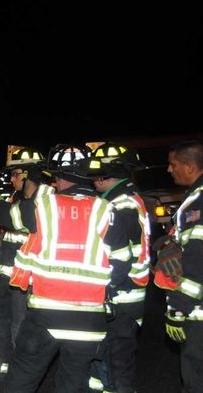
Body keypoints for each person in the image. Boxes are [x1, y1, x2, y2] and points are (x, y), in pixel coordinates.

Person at [3, 144, 118, 393]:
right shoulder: (106, 210)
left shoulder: (44, 206)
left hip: (45, 315)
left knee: (21, 380)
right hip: (89, 319)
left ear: (58, 176)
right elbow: (120, 262)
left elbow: (7, 216)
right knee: (73, 384)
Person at [0, 147, 53, 382]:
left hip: (26, 279)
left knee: (19, 326)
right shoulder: (16, 198)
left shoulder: (45, 199)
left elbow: (13, 220)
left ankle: (19, 373)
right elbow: (6, 233)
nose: (11, 179)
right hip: (6, 275)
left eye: (15, 174)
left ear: (28, 174)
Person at [86, 143, 150, 393]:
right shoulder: (123, 199)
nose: (92, 180)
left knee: (117, 362)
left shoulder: (119, 206)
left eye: (94, 174)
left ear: (104, 174)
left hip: (120, 296)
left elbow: (120, 259)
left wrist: (101, 288)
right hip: (123, 296)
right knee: (105, 360)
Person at [153, 139, 203, 393]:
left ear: (190, 166)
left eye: (173, 165)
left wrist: (178, 310)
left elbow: (197, 262)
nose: (169, 170)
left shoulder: (198, 204)